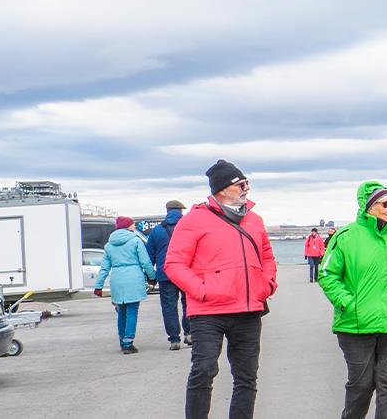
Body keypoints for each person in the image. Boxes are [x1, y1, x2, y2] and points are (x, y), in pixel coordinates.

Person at [165, 160, 278, 419]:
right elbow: (174, 264)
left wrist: (268, 284)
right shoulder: (194, 220)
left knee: (247, 378)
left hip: (248, 310)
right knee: (203, 370)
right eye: (241, 184)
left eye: (246, 183)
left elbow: (267, 258)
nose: (246, 188)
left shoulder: (255, 220)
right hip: (208, 312)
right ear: (222, 189)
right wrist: (202, 290)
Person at [318, 182, 387, 419]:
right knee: (361, 386)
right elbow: (327, 274)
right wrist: (347, 303)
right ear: (369, 206)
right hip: (356, 325)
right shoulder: (346, 238)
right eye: (384, 203)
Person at [95, 216, 156, 354]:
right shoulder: (135, 241)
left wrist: (98, 286)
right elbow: (145, 262)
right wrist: (152, 277)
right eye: (133, 224)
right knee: (132, 311)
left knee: (121, 311)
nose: (134, 226)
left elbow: (104, 268)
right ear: (127, 226)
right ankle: (129, 342)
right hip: (133, 277)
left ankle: (122, 340)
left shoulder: (109, 245)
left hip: (117, 279)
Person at [148, 200, 191, 350]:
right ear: (180, 211)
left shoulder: (157, 230)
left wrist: (150, 275)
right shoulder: (188, 227)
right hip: (187, 272)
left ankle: (174, 340)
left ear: (167, 211)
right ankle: (189, 333)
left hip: (165, 273)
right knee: (189, 303)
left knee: (169, 307)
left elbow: (150, 254)